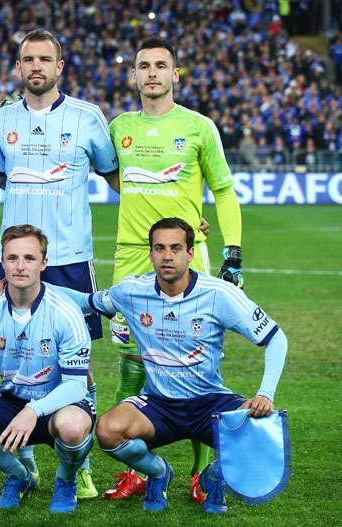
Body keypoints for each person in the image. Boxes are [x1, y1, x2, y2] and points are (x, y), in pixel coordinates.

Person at [0, 28, 118, 499]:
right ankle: (24, 451)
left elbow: (119, 179)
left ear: (59, 66)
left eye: (44, 59)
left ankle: (79, 461)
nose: (36, 67)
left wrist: (173, 213)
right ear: (18, 67)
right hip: (14, 260)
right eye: (27, 59)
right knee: (11, 356)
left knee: (81, 367)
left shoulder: (87, 117)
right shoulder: (3, 119)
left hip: (70, 259)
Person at [63, 218, 287, 513]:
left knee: (261, 433)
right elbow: (86, 301)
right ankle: (158, 472)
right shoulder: (132, 291)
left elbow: (276, 338)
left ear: (190, 253)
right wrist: (31, 285)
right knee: (108, 430)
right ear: (151, 253)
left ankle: (210, 480)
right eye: (159, 248)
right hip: (158, 404)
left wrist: (265, 394)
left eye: (176, 248)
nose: (167, 256)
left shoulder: (219, 293)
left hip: (209, 403)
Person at [104, 37, 245, 501]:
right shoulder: (118, 127)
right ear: (133, 75)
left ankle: (199, 474)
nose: (151, 73)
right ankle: (140, 468)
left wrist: (234, 252)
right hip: (130, 259)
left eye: (161, 66)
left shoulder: (199, 127)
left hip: (188, 258)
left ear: (175, 74)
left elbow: (223, 190)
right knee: (130, 364)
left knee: (195, 368)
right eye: (143, 65)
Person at [0, 225, 95, 512]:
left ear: (44, 263)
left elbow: (77, 386)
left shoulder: (65, 312)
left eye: (29, 258)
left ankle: (66, 481)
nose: (20, 266)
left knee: (73, 427)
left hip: (61, 402)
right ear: (2, 261)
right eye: (12, 258)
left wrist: (34, 411)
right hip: (12, 400)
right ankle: (19, 476)